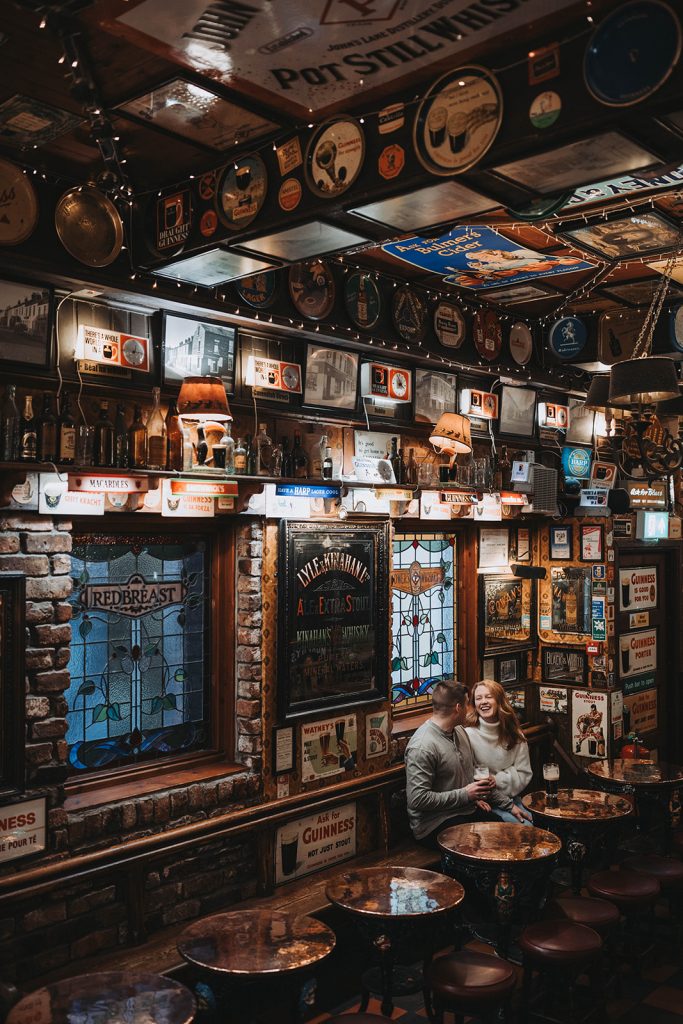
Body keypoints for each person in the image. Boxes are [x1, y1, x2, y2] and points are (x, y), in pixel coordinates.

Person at [405, 679, 507, 847]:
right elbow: (418, 799)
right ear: (458, 708)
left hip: (464, 810)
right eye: (467, 705)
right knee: (485, 844)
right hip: (433, 824)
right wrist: (465, 795)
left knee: (503, 831)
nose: (470, 709)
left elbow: (471, 777)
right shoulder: (422, 746)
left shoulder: (459, 731)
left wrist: (509, 805)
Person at [466, 680, 533, 825]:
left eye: (488, 697)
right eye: (478, 698)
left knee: (531, 825)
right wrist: (510, 771)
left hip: (511, 798)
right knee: (524, 828)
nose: (483, 701)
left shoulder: (515, 735)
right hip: (482, 803)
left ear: (499, 701)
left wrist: (497, 780)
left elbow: (524, 773)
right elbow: (464, 775)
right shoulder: (467, 735)